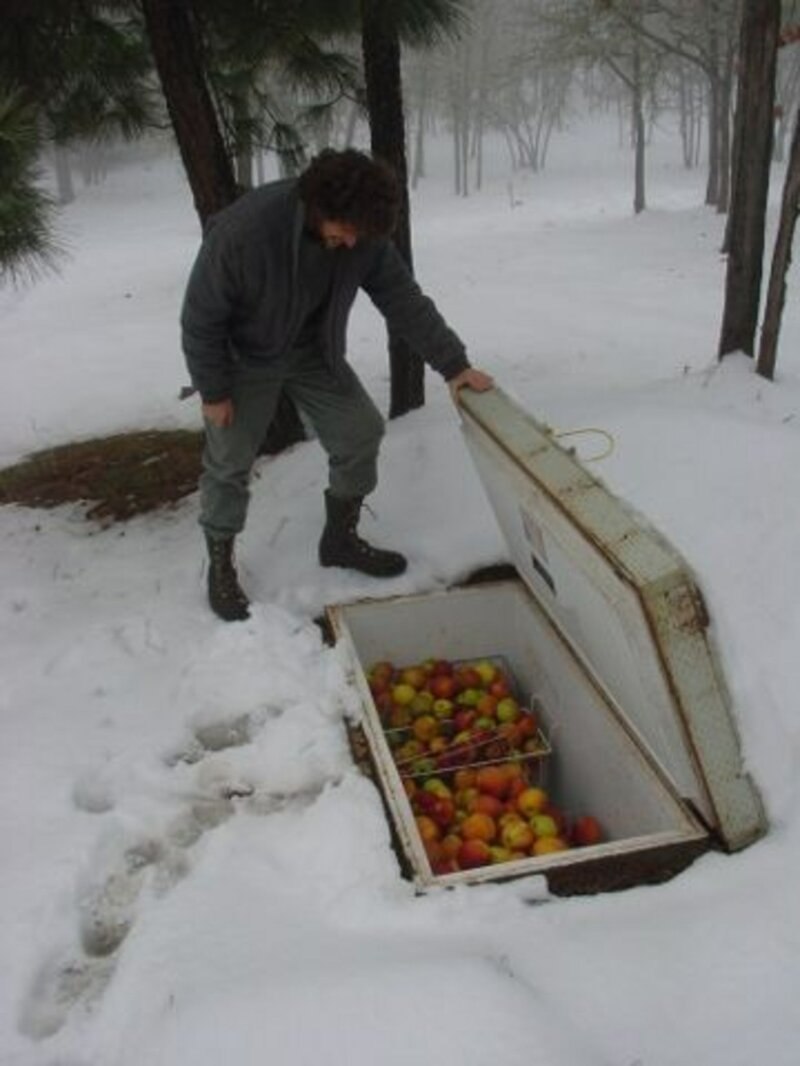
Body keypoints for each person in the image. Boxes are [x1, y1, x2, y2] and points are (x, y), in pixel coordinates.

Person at [181, 148, 493, 622]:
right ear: (320, 207)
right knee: (229, 459)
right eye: (345, 232)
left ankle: (340, 539)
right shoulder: (246, 232)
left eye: (359, 236)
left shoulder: (361, 232)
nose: (352, 244)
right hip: (244, 357)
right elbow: (201, 317)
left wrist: (454, 365)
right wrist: (214, 390)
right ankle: (221, 562)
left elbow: (403, 299)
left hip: (312, 353)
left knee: (361, 431)